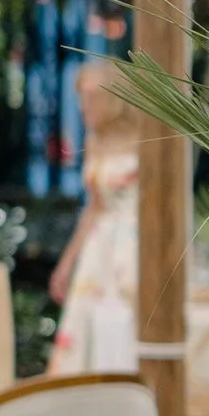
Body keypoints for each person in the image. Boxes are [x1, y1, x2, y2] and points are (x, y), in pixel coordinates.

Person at [48, 57, 140, 374]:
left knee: (126, 323)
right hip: (99, 247)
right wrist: (66, 263)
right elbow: (94, 208)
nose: (83, 106)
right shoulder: (94, 140)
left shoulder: (144, 138)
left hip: (133, 246)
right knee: (84, 327)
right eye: (81, 97)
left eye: (91, 96)